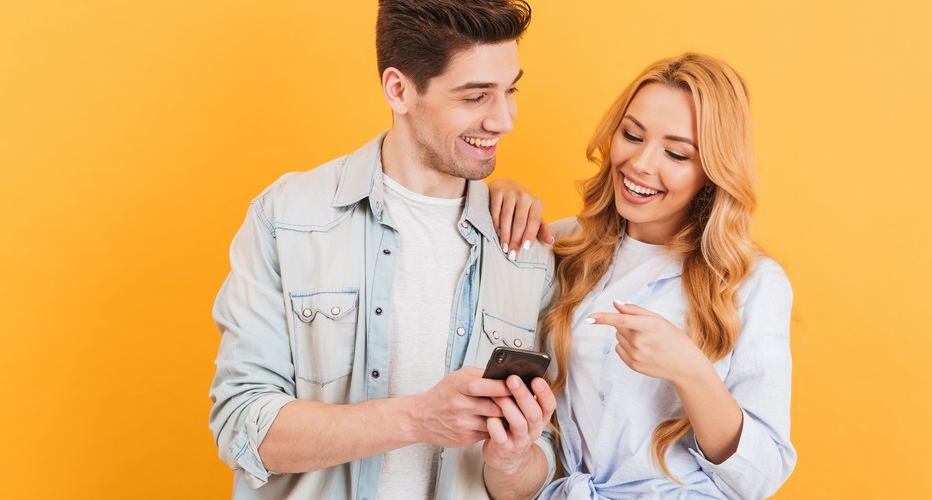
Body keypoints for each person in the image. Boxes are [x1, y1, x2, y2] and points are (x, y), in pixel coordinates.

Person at [208, 1, 558, 499]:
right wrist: (418, 418)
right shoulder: (287, 218)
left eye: (510, 90)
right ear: (399, 89)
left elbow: (537, 470)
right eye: (476, 95)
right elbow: (242, 427)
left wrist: (512, 459)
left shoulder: (527, 250)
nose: (504, 120)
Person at [489, 53, 797, 499]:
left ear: (711, 172)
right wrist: (498, 194)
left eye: (676, 153)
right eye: (631, 135)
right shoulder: (561, 246)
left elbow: (760, 479)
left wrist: (691, 371)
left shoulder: (753, 283)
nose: (640, 163)